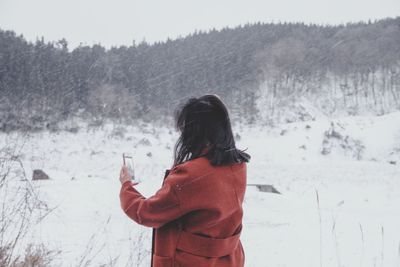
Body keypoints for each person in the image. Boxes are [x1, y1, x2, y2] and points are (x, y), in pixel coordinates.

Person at [119, 94, 250, 267]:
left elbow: (147, 213)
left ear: (194, 132)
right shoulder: (236, 166)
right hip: (227, 260)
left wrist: (126, 186)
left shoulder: (191, 175)